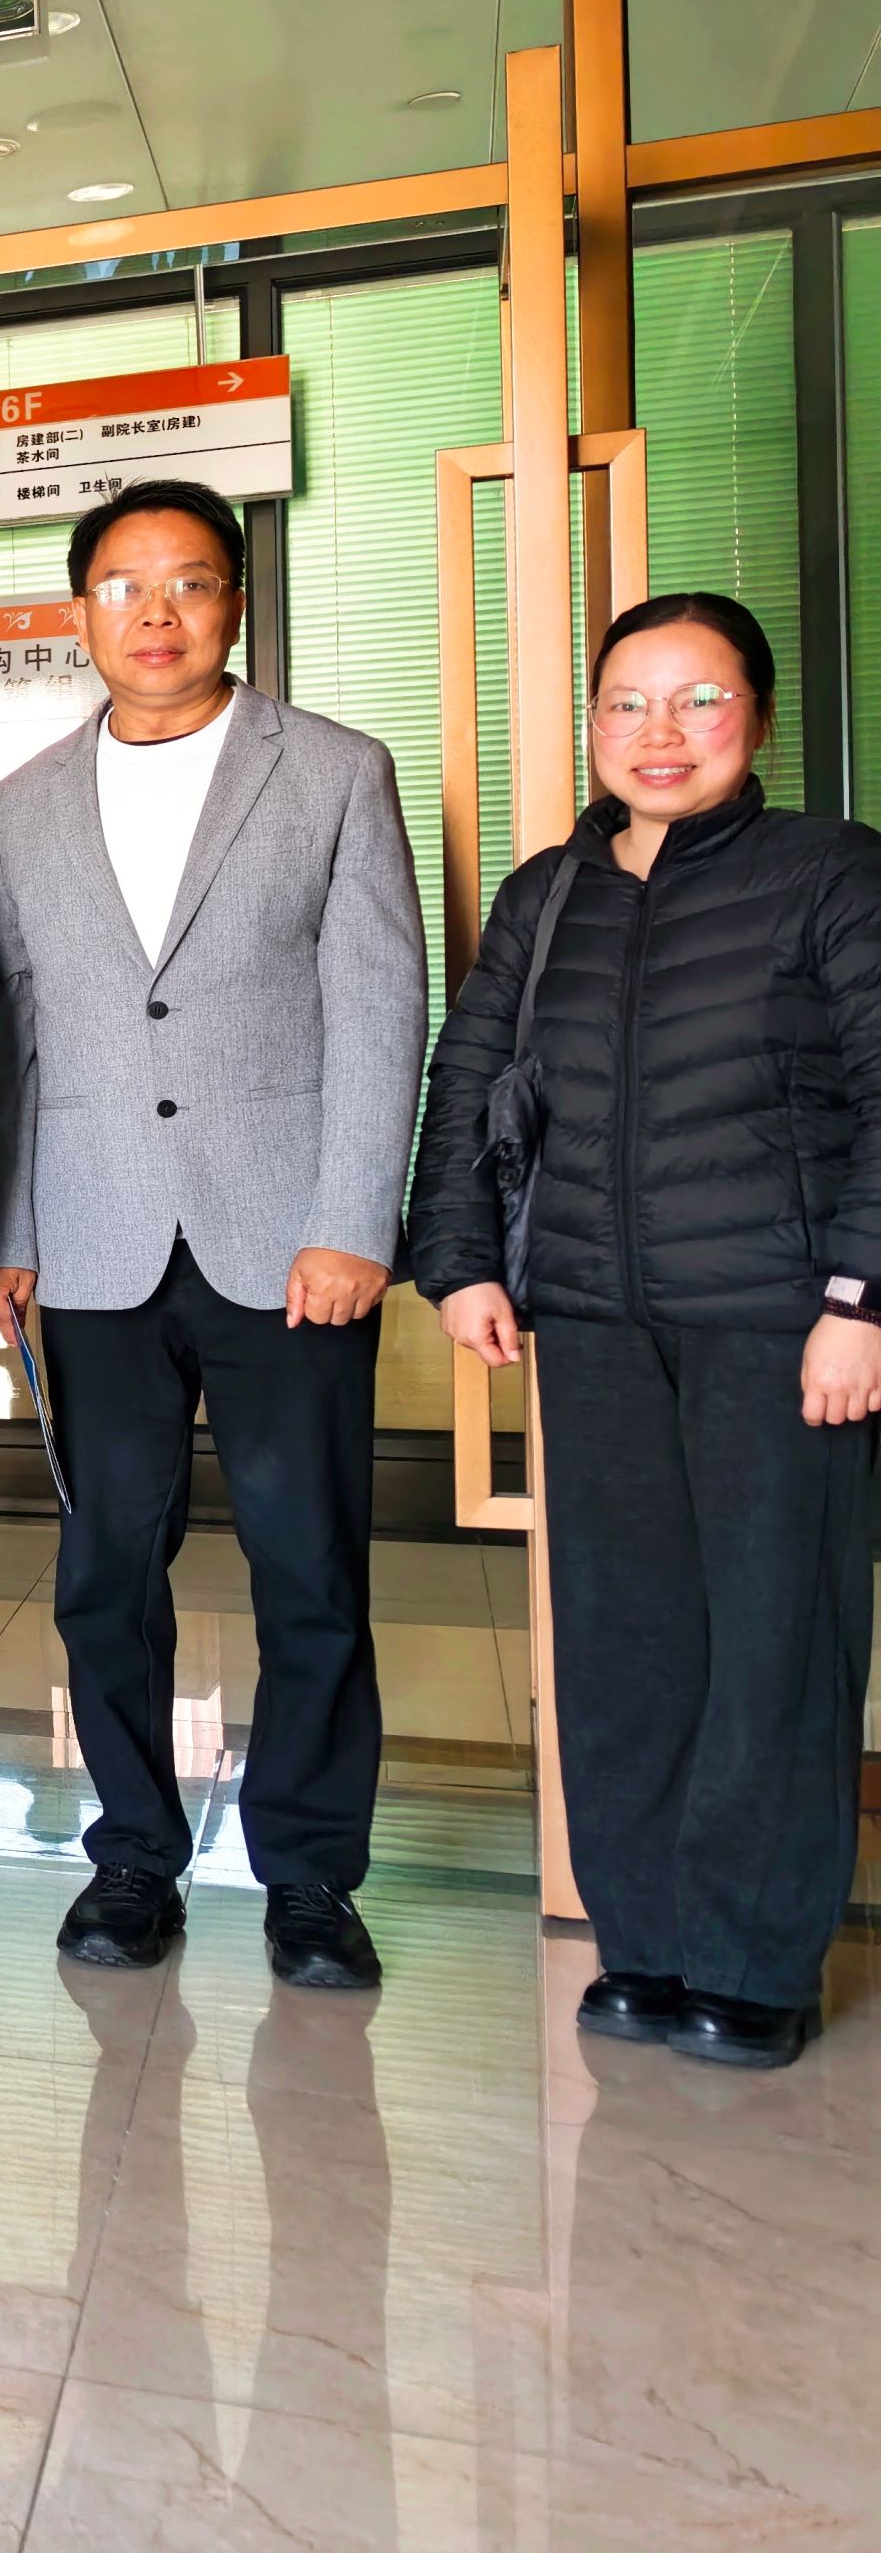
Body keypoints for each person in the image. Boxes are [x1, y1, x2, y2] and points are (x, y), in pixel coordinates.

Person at [411, 592, 881, 2072]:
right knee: (624, 1644)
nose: (659, 733)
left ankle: (752, 1962)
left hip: (778, 1326)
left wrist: (860, 1301)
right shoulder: (551, 892)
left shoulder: (830, 874)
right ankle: (650, 1943)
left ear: (759, 717)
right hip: (594, 1318)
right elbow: (469, 1074)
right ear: (594, 721)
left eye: (699, 700)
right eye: (629, 702)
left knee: (773, 1645)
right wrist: (458, 1261)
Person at [0, 479, 426, 1990]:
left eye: (190, 583)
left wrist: (354, 1220)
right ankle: (131, 1857)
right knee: (107, 1569)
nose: (155, 613)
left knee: (310, 1565)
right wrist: (4, 1227)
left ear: (237, 600)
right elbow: (14, 1028)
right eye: (123, 585)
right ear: (79, 611)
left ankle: (312, 1875)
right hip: (91, 1239)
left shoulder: (335, 770)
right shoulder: (24, 800)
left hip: (289, 1242)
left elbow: (382, 1009)